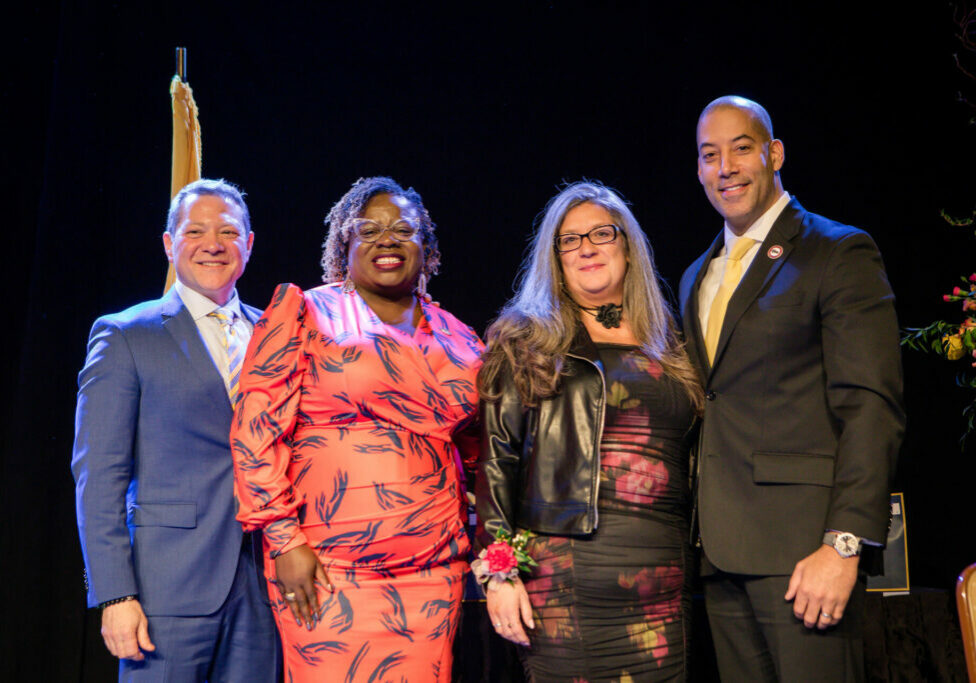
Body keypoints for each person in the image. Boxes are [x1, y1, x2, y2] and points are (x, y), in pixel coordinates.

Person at [678, 96, 905, 681]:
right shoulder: (693, 277)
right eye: (710, 155)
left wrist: (844, 542)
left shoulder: (837, 251)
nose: (725, 167)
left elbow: (871, 406)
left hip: (805, 555)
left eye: (741, 148)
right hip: (719, 558)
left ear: (774, 153)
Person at [230, 177, 483, 682]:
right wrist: (284, 541)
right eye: (368, 229)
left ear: (426, 248)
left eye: (403, 229)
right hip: (326, 571)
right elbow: (255, 431)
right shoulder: (306, 313)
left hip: (433, 572)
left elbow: (480, 445)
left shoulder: (458, 335)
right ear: (343, 245)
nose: (387, 239)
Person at [477, 181, 703, 681]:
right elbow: (497, 460)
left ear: (628, 245)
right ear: (555, 258)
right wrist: (497, 574)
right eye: (570, 240)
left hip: (663, 578)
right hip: (564, 581)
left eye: (602, 233)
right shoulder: (524, 341)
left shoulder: (671, 342)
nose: (587, 248)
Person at [71, 178, 280, 681]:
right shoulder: (125, 334)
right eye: (196, 231)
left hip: (266, 589)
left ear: (249, 244)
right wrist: (116, 593)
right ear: (169, 244)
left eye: (229, 231)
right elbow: (98, 475)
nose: (213, 244)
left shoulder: (278, 335)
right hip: (167, 591)